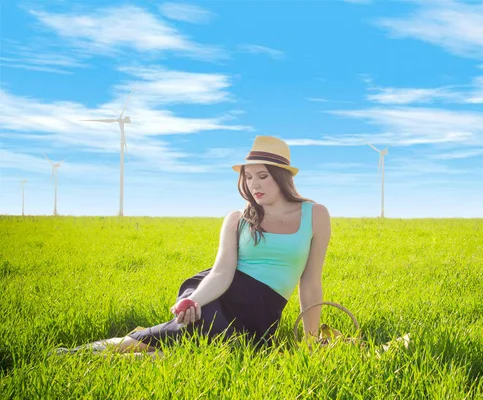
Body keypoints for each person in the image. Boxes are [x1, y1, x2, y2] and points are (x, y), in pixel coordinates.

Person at [56, 135, 331, 355]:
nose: (253, 184)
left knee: (197, 352)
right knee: (166, 338)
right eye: (248, 177)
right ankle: (76, 352)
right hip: (220, 295)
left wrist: (311, 338)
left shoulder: (315, 215)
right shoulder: (238, 219)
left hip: (261, 312)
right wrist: (195, 300)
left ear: (281, 176)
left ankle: (89, 355)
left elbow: (310, 281)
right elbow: (222, 272)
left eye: (262, 176)